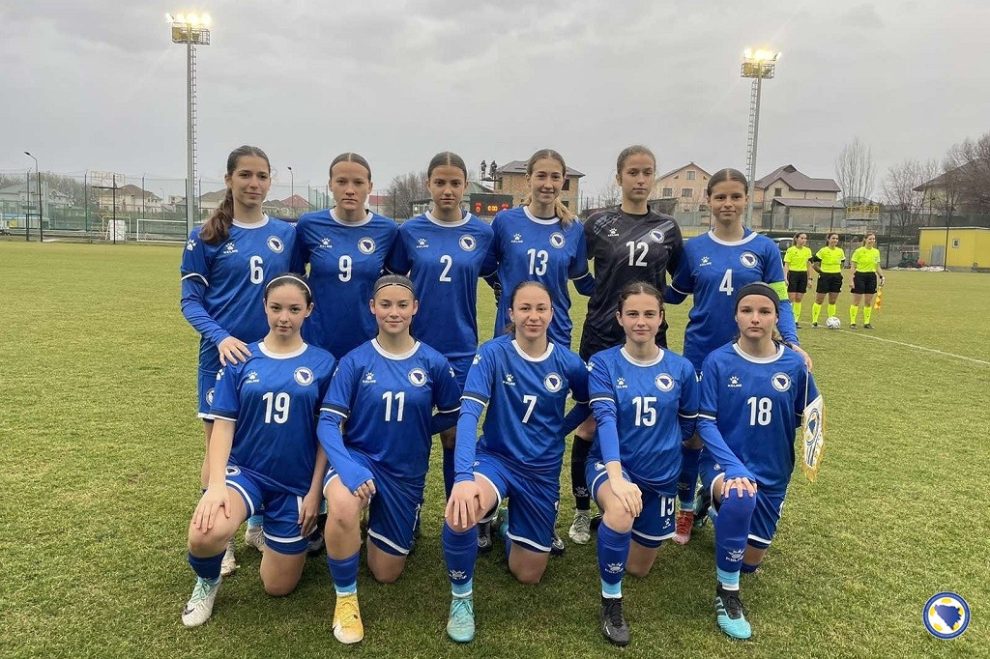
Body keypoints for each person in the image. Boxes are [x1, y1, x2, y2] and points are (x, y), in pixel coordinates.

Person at [181, 275, 335, 627]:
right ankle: (207, 582)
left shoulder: (324, 363)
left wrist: (316, 493)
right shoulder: (240, 358)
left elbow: (326, 434)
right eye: (276, 307)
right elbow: (223, 425)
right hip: (246, 473)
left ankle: (265, 533)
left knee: (277, 586)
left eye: (294, 309)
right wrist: (216, 485)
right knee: (204, 534)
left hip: (294, 483)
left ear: (308, 310)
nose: (284, 317)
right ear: (264, 307)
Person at [441, 281, 590, 643]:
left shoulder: (569, 363)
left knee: (528, 574)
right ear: (511, 313)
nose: (533, 316)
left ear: (552, 313)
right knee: (460, 512)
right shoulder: (493, 353)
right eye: (524, 308)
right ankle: (461, 599)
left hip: (540, 471)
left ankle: (510, 524)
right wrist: (463, 477)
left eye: (541, 308)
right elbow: (468, 414)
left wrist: (559, 430)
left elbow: (586, 404)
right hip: (496, 459)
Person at [665, 168, 807, 545]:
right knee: (693, 436)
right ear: (708, 201)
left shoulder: (764, 248)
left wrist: (791, 341)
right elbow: (675, 294)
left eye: (735, 197)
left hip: (750, 359)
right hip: (700, 354)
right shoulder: (694, 248)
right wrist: (632, 283)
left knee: (739, 428)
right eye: (720, 197)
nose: (727, 204)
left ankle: (722, 494)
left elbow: (781, 301)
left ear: (746, 200)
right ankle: (685, 510)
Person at [318, 275, 461, 645]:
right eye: (385, 304)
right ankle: (345, 598)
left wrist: (419, 426)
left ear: (415, 308)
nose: (393, 312)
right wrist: (347, 467)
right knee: (344, 505)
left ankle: (381, 525)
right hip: (359, 459)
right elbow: (328, 422)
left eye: (401, 305)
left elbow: (452, 413)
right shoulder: (354, 360)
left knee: (386, 573)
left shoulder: (434, 362)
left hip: (404, 471)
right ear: (372, 308)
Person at [180, 145, 301, 569]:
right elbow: (190, 301)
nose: (253, 183)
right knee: (219, 450)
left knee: (266, 443)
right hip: (223, 360)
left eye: (261, 176)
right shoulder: (205, 235)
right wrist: (221, 338)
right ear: (229, 179)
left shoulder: (286, 234)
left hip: (273, 360)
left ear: (270, 181)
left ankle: (257, 526)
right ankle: (223, 537)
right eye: (245, 175)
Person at [568, 145, 684, 545]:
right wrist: (601, 296)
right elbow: (577, 270)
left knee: (644, 418)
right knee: (589, 423)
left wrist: (655, 307)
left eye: (647, 172)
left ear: (654, 177)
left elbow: (683, 281)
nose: (640, 179)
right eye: (632, 172)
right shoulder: (598, 223)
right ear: (618, 177)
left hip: (649, 340)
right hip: (601, 335)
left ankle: (633, 499)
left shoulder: (667, 227)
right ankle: (583, 510)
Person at [695, 283, 819, 640]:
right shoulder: (718, 361)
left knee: (749, 562)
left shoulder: (794, 365)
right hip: (725, 465)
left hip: (773, 470)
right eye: (747, 310)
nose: (755, 318)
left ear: (776, 317)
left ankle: (711, 505)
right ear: (735, 316)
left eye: (764, 311)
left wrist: (812, 447)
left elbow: (810, 413)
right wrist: (733, 467)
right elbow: (705, 422)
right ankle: (727, 595)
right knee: (739, 496)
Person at [584, 282, 698, 646]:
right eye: (632, 314)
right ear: (619, 318)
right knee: (620, 507)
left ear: (661, 318)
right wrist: (617, 477)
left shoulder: (681, 368)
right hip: (612, 466)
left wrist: (662, 449)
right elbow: (604, 421)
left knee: (638, 567)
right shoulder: (603, 363)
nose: (641, 322)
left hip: (661, 475)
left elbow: (688, 426)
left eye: (649, 314)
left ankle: (615, 525)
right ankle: (611, 603)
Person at [387, 152, 496, 498]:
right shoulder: (409, 231)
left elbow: (497, 278)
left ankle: (457, 510)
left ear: (465, 186)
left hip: (461, 348)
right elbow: (391, 283)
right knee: (408, 431)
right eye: (440, 182)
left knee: (454, 434)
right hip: (414, 347)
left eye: (455, 183)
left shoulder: (482, 233)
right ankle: (408, 510)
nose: (447, 190)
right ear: (428, 184)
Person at [296, 152, 398, 360]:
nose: (350, 190)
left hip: (369, 342)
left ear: (369, 186)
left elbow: (393, 287)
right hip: (316, 341)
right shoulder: (309, 225)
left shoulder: (387, 230)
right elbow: (295, 280)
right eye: (341, 182)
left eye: (358, 183)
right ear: (330, 184)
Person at [489, 149, 594, 347]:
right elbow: (487, 267)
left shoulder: (573, 228)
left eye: (555, 177)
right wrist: (503, 288)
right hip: (510, 328)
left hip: (556, 330)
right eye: (541, 176)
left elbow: (581, 279)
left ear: (563, 180)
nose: (548, 184)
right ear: (528, 179)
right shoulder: (505, 221)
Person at [848, 232, 885, 329]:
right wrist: (851, 280)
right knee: (856, 301)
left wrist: (881, 276)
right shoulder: (858, 251)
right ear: (865, 239)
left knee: (868, 302)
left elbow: (877, 266)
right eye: (870, 239)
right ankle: (853, 322)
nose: (872, 241)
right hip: (859, 276)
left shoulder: (876, 252)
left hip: (871, 277)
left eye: (873, 239)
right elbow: (853, 267)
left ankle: (867, 322)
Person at [810, 232, 846, 328]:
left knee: (832, 300)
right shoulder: (823, 251)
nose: (835, 240)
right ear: (828, 239)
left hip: (836, 277)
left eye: (836, 239)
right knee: (819, 300)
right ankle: (814, 321)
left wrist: (836, 271)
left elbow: (842, 264)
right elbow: (815, 265)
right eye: (833, 238)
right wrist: (823, 272)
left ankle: (831, 320)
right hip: (825, 277)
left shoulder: (840, 251)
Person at [783, 232, 813, 328]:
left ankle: (795, 320)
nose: (804, 240)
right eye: (802, 238)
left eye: (805, 238)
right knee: (791, 298)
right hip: (793, 274)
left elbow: (809, 266)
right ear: (796, 239)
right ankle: (788, 319)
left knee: (799, 298)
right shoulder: (791, 250)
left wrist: (810, 279)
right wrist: (785, 277)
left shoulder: (808, 251)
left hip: (803, 275)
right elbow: (786, 265)